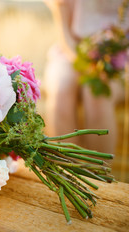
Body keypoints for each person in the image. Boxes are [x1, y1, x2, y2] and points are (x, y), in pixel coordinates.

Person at [44, 0, 128, 154]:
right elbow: (65, 36)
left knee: (97, 94)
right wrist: (87, 65)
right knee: (61, 90)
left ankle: (99, 175)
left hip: (121, 58)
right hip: (71, 50)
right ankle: (66, 171)